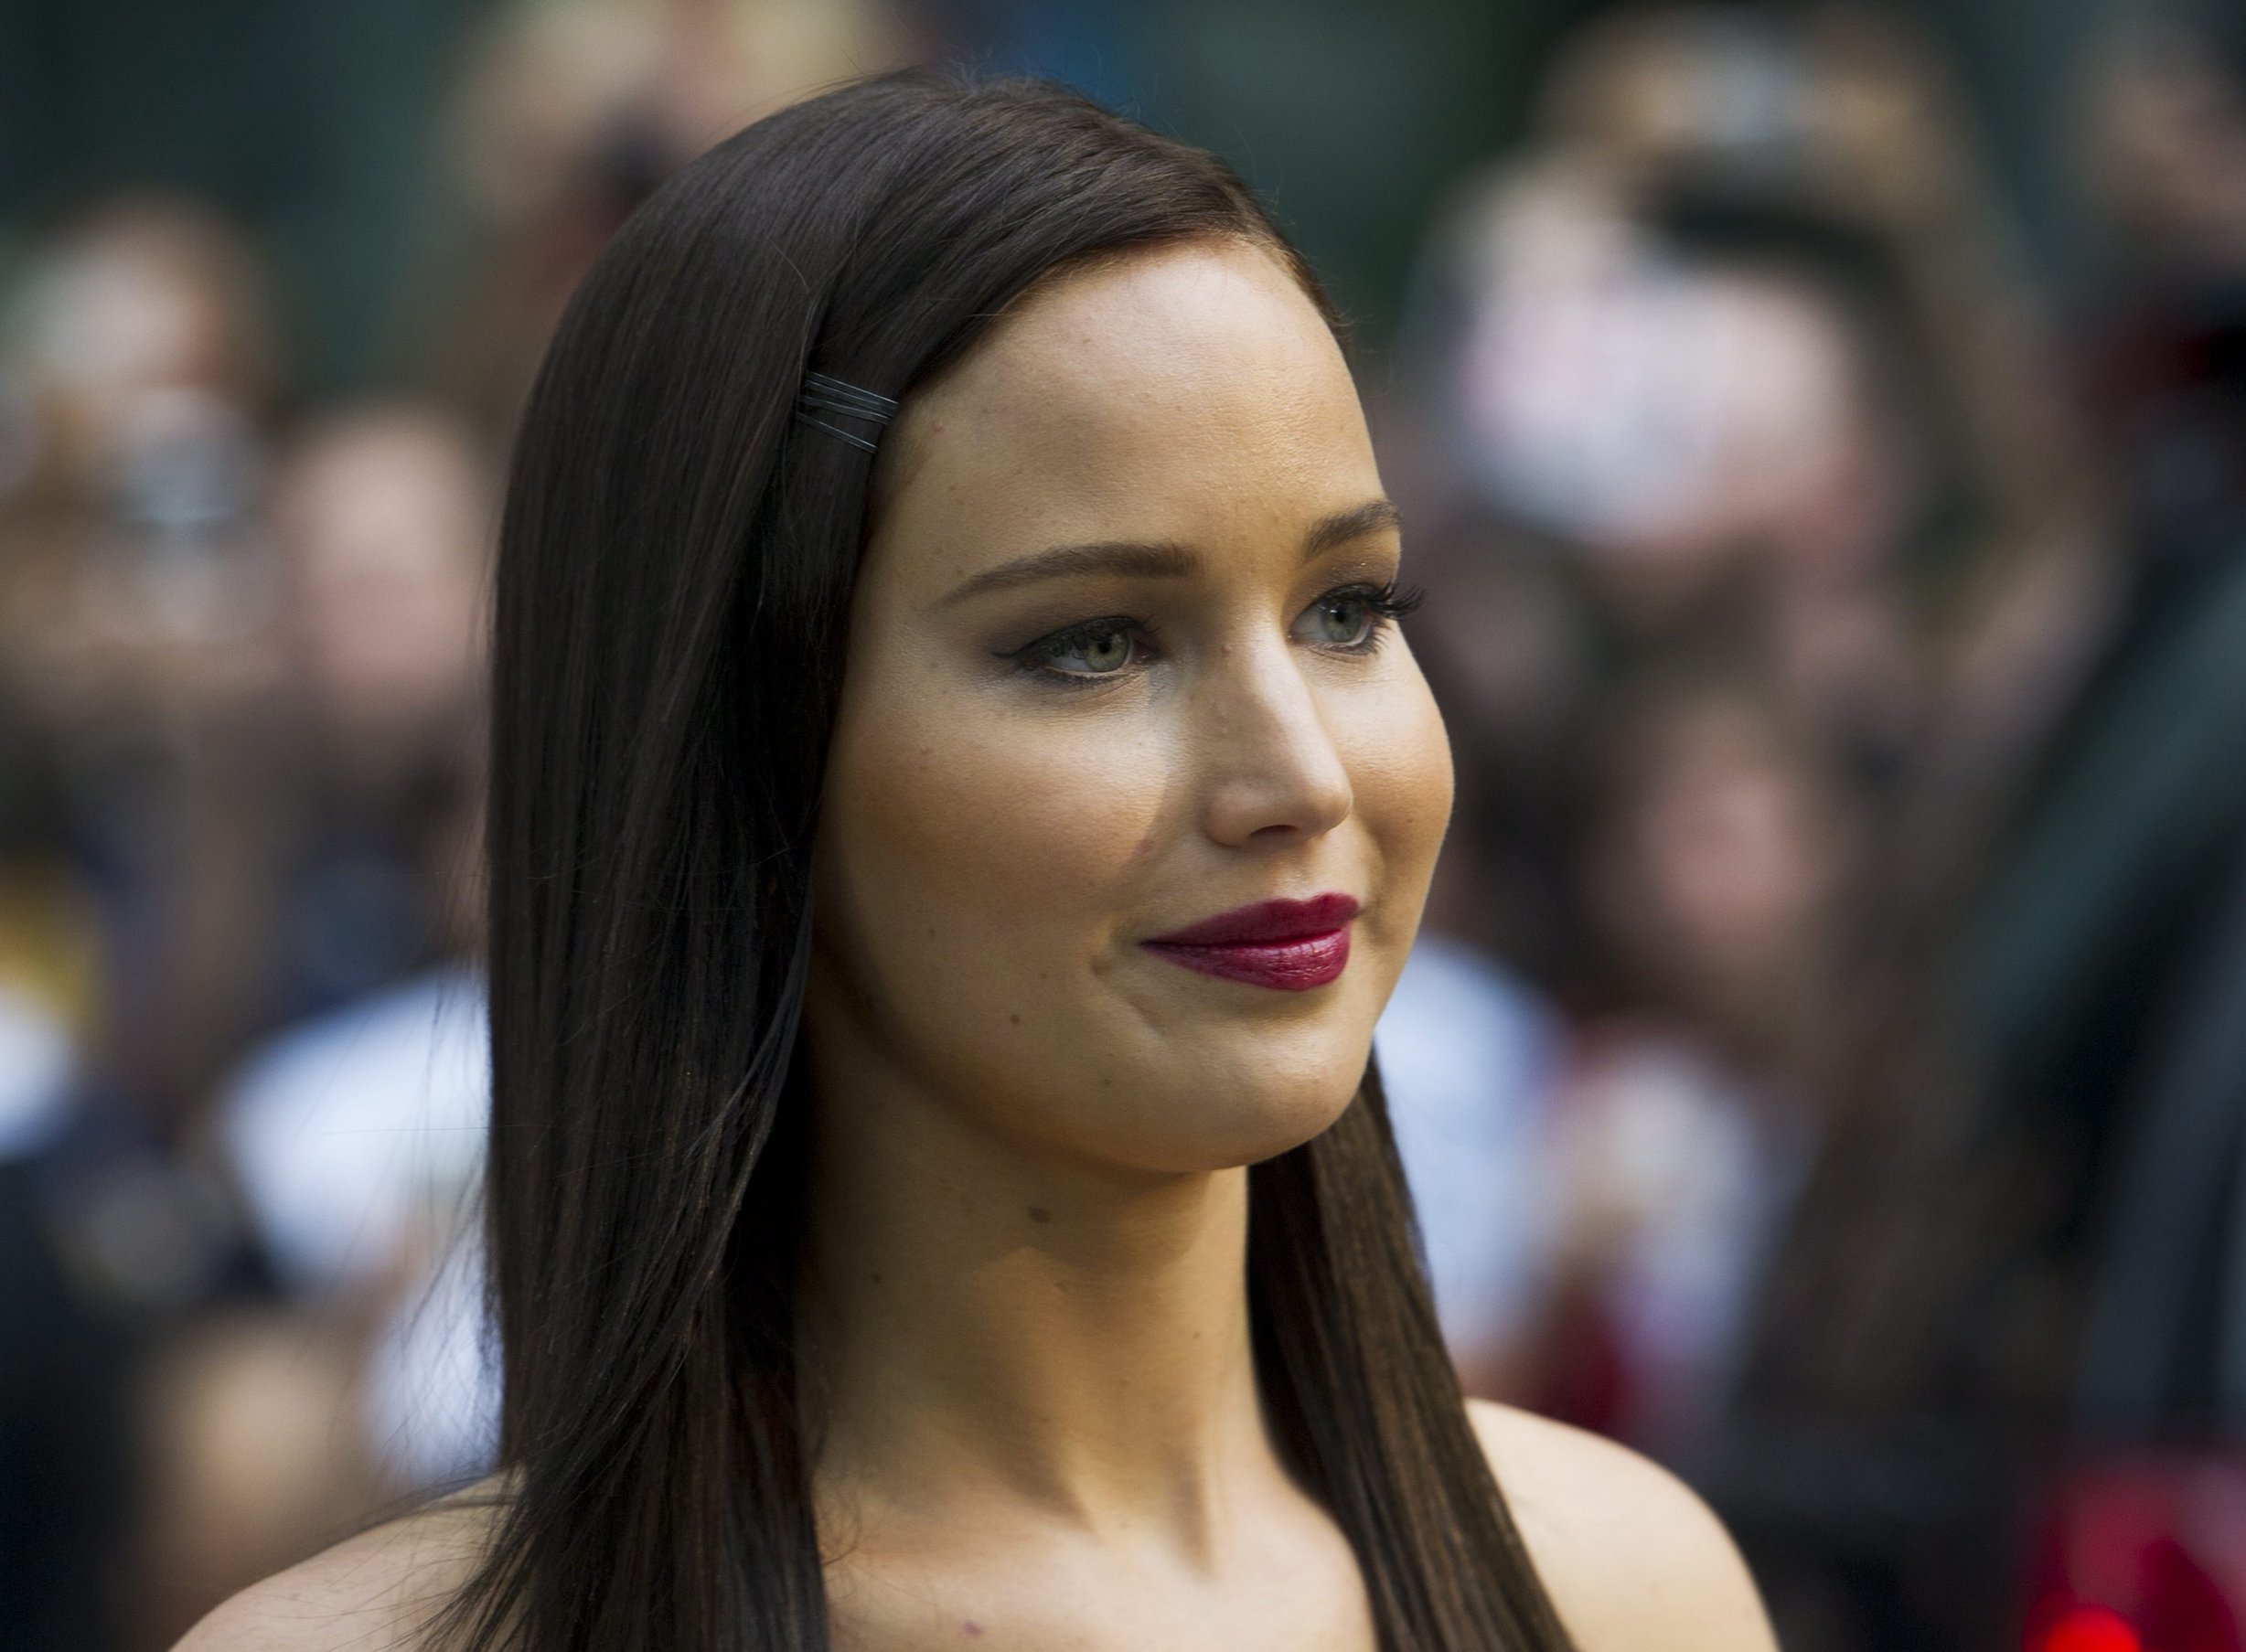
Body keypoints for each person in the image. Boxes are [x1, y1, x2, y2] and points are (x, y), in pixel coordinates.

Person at [180, 76, 1773, 1652]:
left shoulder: (1630, 1593)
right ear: (742, 738)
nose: (1300, 774)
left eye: (1347, 609)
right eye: (1095, 643)